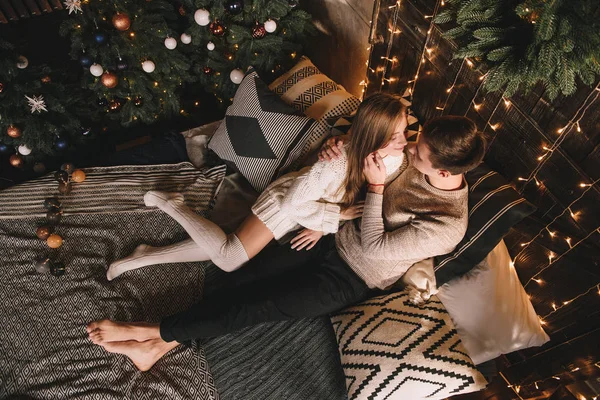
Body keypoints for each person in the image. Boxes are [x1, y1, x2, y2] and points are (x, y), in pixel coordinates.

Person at [87, 114, 486, 372]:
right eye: (414, 139)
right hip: (327, 238)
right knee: (238, 279)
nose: (410, 147)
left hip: (352, 277)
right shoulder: (414, 159)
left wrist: (379, 187)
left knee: (257, 307)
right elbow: (363, 162)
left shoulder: (448, 224)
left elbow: (375, 245)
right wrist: (337, 146)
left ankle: (147, 332)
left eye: (419, 151)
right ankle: (157, 348)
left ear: (445, 170)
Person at [106, 92, 408, 280]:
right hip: (285, 203)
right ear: (375, 136)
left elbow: (358, 186)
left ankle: (144, 255)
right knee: (228, 259)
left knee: (227, 247)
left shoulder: (390, 157)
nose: (405, 142)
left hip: (306, 206)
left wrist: (322, 224)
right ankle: (172, 204)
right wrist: (333, 219)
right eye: (397, 136)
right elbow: (292, 204)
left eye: (405, 132)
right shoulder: (336, 162)